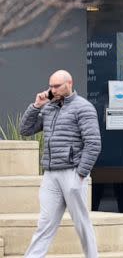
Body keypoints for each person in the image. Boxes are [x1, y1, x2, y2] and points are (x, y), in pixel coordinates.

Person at [20, 70, 101, 258]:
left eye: (57, 86)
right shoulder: (48, 107)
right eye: (51, 86)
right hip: (51, 174)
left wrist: (80, 174)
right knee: (44, 224)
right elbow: (25, 130)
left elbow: (93, 143)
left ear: (69, 83)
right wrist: (36, 106)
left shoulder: (83, 107)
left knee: (81, 223)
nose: (52, 90)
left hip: (73, 172)